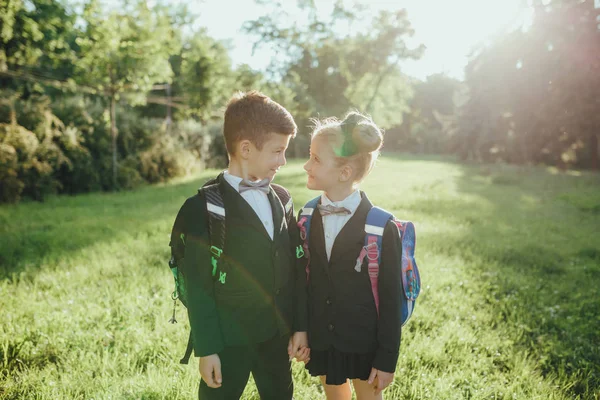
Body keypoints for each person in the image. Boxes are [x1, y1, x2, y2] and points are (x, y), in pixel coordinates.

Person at [170, 90, 309, 400]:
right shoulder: (204, 209)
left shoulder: (283, 200)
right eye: (277, 151)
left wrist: (299, 325)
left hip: (276, 337)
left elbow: (297, 267)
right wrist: (207, 350)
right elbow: (199, 287)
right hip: (228, 341)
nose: (283, 161)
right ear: (246, 148)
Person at [300, 111, 403, 399]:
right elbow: (303, 280)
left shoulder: (381, 227)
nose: (307, 165)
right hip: (324, 338)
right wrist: (303, 330)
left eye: (316, 159)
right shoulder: (306, 216)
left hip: (364, 343)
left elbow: (391, 300)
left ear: (344, 173)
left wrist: (386, 359)